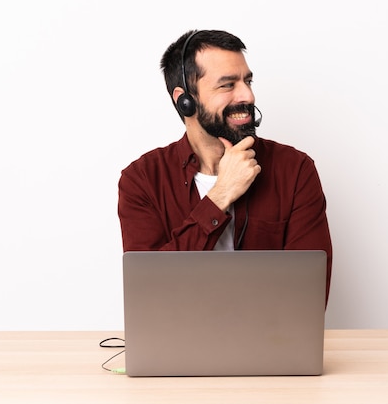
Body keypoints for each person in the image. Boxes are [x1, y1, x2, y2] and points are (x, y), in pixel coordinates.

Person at [117, 29, 332, 301]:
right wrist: (220, 195)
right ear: (185, 101)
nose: (248, 96)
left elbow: (308, 294)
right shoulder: (142, 180)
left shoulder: (295, 169)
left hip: (271, 339)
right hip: (178, 340)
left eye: (248, 81)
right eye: (228, 85)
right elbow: (149, 291)